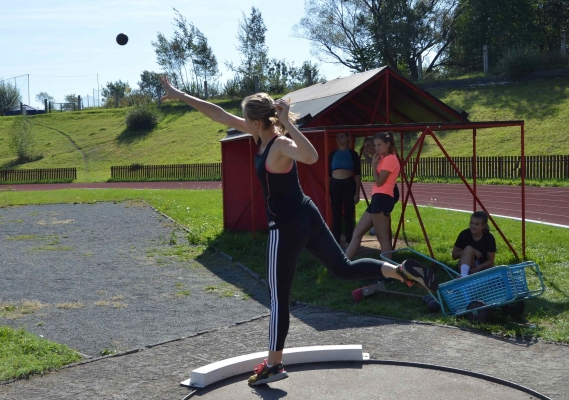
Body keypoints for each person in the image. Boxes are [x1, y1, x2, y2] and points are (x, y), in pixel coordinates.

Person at [159, 76, 438, 386]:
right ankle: (400, 270)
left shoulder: (278, 143)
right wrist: (178, 93)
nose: (240, 122)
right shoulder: (260, 137)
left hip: (287, 226)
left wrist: (288, 124)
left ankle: (274, 364)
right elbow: (218, 114)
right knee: (342, 268)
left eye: (245, 118)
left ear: (255, 120)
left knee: (278, 297)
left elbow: (312, 157)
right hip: (308, 215)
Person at [346, 132, 400, 260]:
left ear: (388, 144)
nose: (377, 148)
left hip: (383, 198)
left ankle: (387, 275)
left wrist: (372, 166)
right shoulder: (382, 158)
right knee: (358, 232)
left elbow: (379, 181)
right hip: (377, 198)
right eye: (375, 145)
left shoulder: (390, 159)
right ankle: (344, 265)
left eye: (379, 145)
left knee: (382, 238)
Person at [328, 132, 361, 247]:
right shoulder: (332, 154)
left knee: (348, 213)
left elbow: (357, 174)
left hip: (349, 184)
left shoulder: (353, 154)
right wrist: (328, 192)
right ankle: (335, 242)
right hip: (335, 185)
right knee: (336, 214)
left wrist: (357, 193)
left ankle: (349, 242)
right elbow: (328, 175)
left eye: (341, 136)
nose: (339, 139)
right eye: (337, 137)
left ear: (347, 138)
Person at [362, 136, 399, 235]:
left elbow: (379, 179)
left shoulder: (384, 157)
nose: (367, 148)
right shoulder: (377, 156)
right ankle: (378, 226)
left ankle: (381, 230)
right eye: (365, 146)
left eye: (369, 146)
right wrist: (365, 154)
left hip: (387, 191)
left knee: (383, 225)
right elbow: (372, 163)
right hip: (381, 191)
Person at [451, 211, 497, 276]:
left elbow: (490, 261)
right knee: (468, 248)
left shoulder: (489, 238)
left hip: (481, 267)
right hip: (465, 265)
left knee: (498, 269)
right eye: (471, 223)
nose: (473, 226)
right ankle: (464, 276)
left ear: (483, 226)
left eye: (476, 224)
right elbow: (454, 255)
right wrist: (471, 250)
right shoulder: (464, 234)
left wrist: (478, 267)